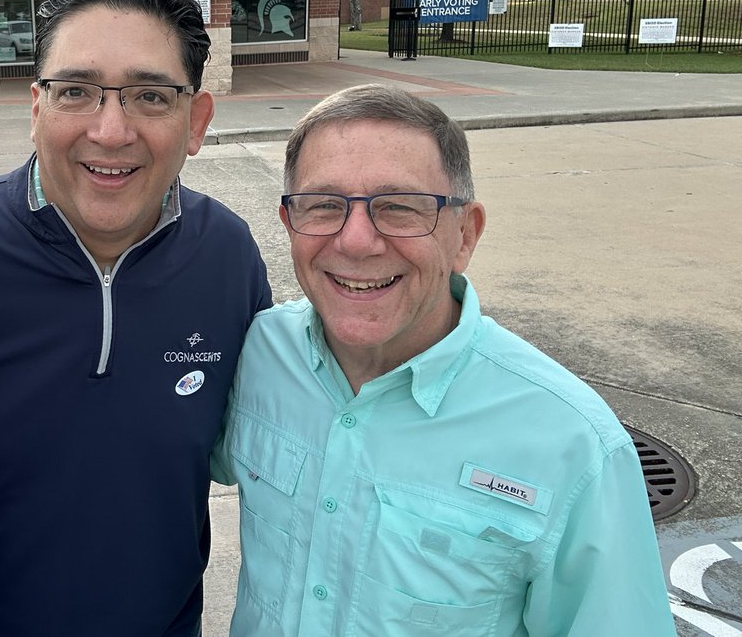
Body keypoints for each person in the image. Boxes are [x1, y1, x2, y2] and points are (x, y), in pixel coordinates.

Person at [0, 0, 272, 636]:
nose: (111, 132)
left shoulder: (226, 257)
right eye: (76, 91)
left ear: (196, 120)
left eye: (150, 96)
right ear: (36, 109)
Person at [212, 84, 675, 636]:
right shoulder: (260, 355)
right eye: (324, 206)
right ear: (290, 224)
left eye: (400, 208)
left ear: (465, 234)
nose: (356, 242)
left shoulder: (573, 445)